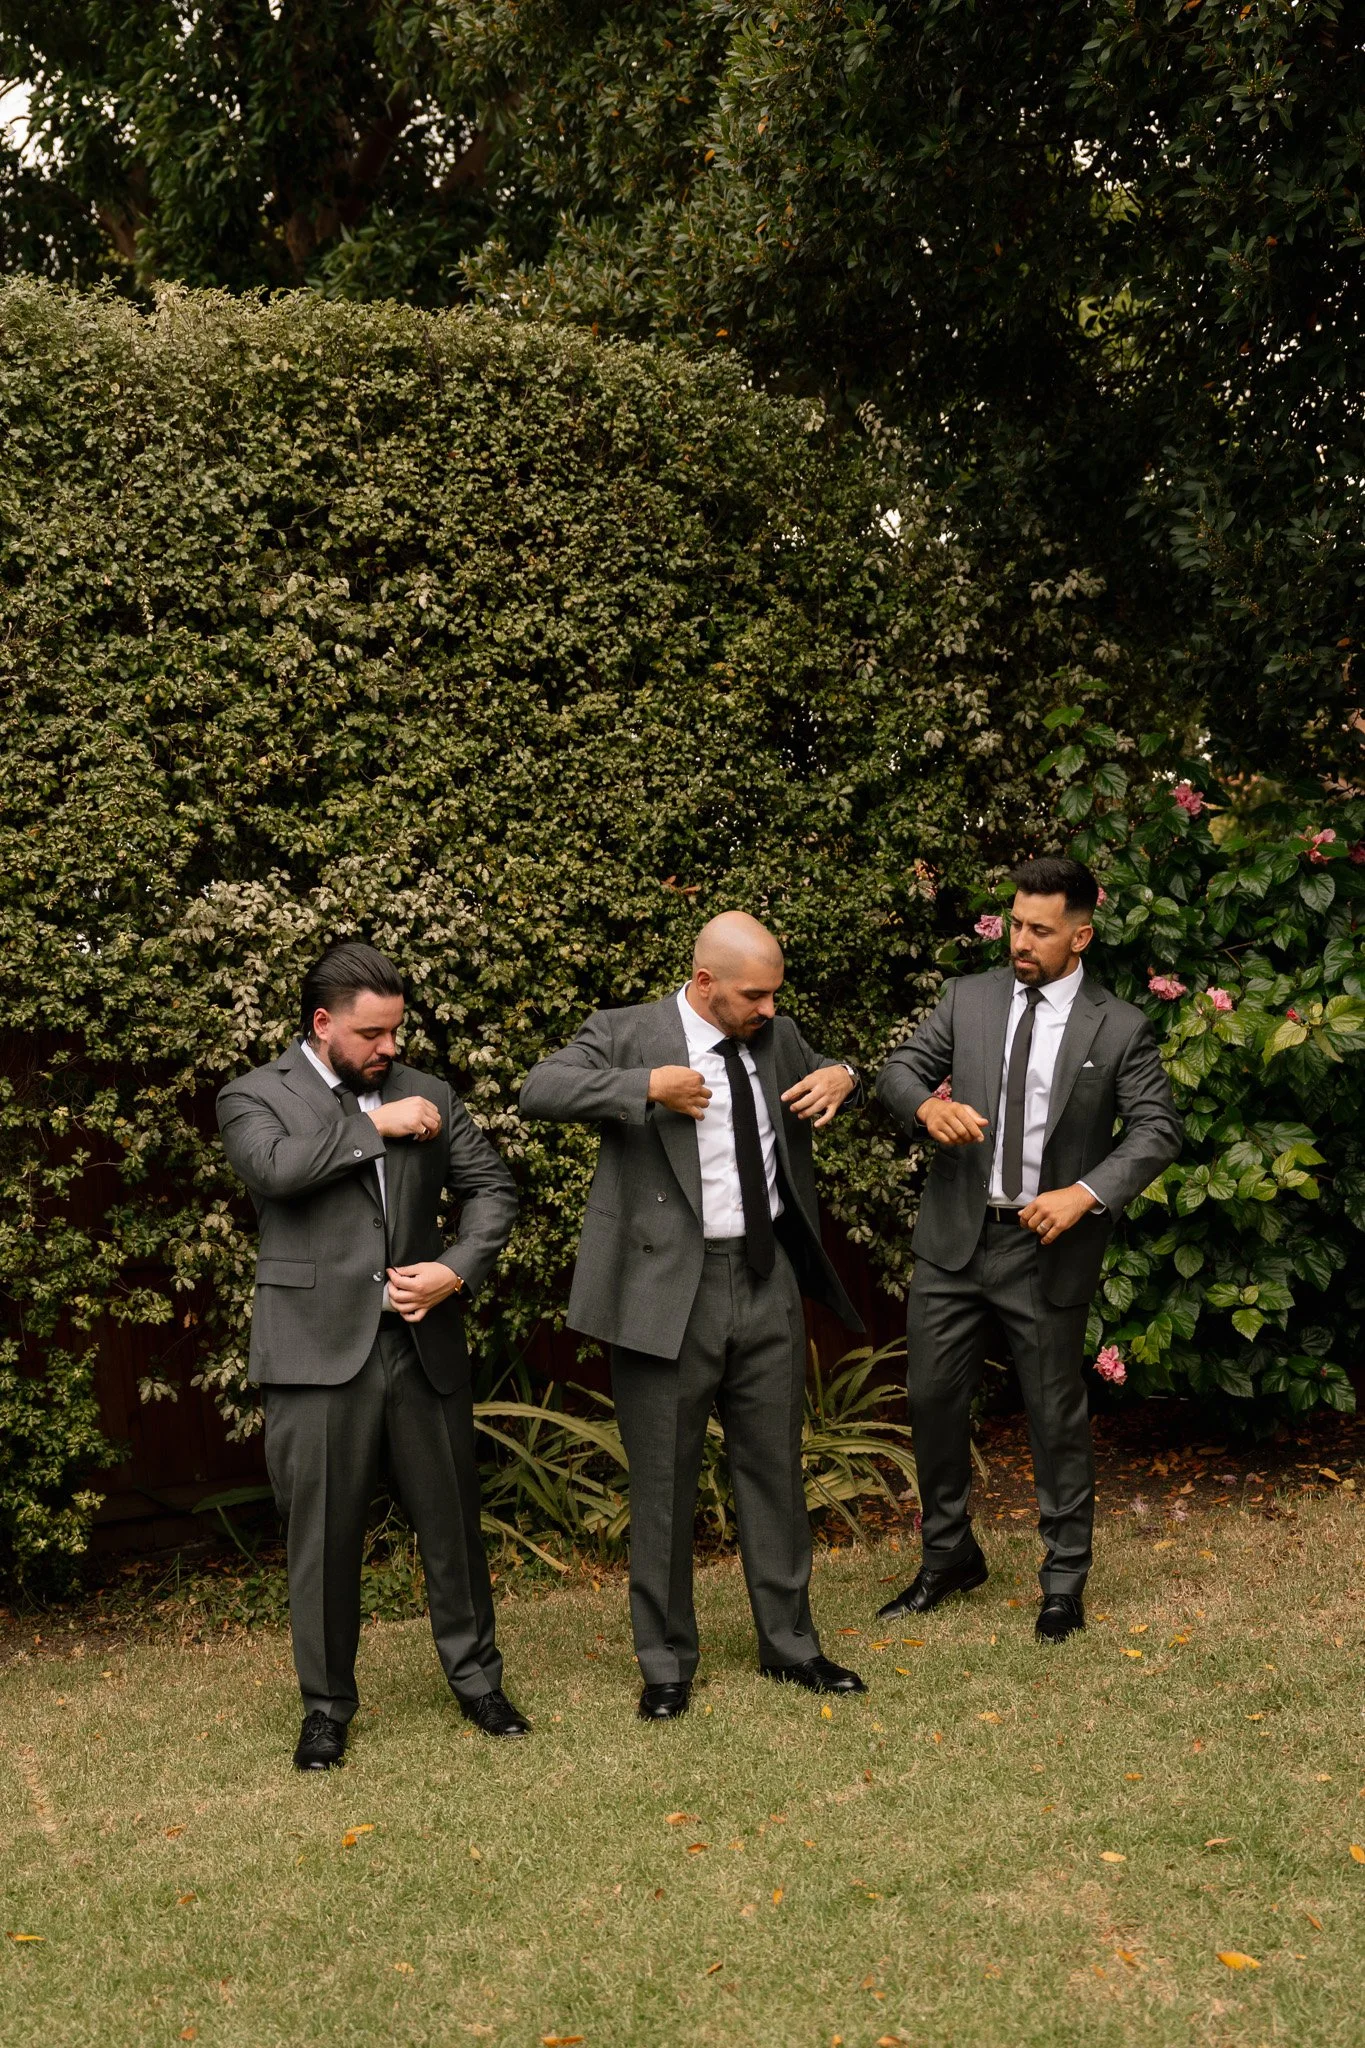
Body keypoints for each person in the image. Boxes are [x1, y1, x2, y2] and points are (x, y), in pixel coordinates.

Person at [520, 912, 868, 1717]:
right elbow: (539, 1089)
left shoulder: (776, 1032)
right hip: (663, 1292)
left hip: (765, 1275)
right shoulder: (626, 1032)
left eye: (776, 994)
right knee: (664, 1483)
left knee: (774, 1471)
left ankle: (791, 1646)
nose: (769, 1010)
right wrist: (642, 1085)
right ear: (704, 983)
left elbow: (824, 1068)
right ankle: (666, 1665)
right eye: (754, 995)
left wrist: (844, 1072)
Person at [217, 942, 524, 1769]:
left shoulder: (429, 1092)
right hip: (314, 1356)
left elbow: (493, 1189)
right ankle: (325, 1710)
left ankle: (478, 1683)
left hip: (422, 1347)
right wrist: (371, 1128)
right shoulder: (254, 1096)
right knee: (323, 1540)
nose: (390, 1047)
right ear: (322, 1026)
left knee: (452, 1527)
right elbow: (274, 1171)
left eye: (396, 1029)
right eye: (372, 1033)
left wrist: (455, 1270)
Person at [874, 858, 1183, 1643]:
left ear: (1079, 935)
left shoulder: (1117, 1026)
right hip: (952, 1240)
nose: (1020, 940)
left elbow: (1155, 1129)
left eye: (1039, 930)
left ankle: (1063, 1581)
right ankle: (947, 1556)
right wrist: (923, 1109)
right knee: (932, 1402)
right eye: (1015, 923)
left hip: (1046, 1249)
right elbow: (901, 1068)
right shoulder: (967, 998)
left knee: (1053, 1416)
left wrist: (1084, 1194)